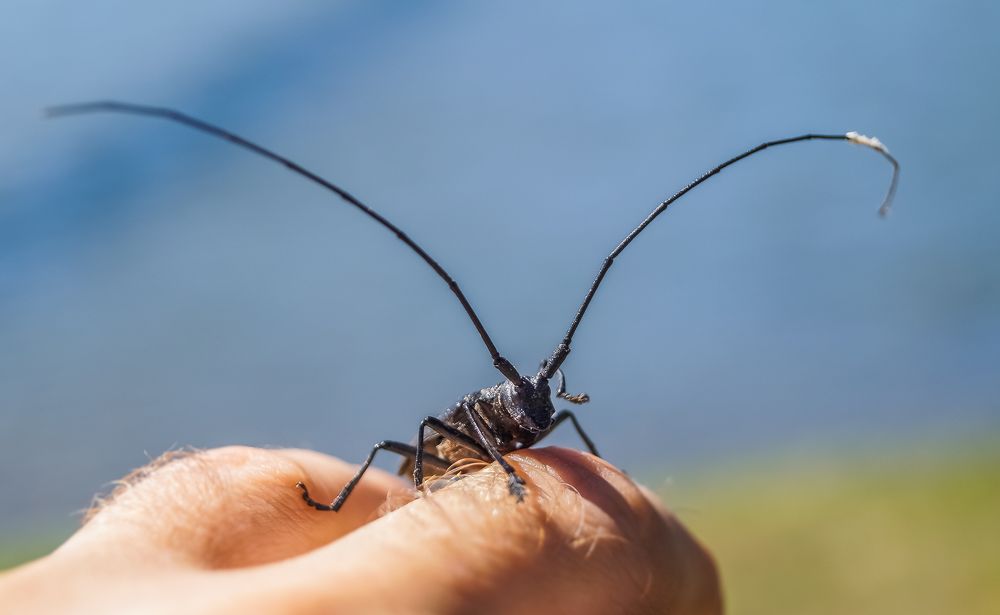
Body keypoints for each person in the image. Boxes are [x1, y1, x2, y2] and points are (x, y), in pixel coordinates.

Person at [0, 446, 722, 613]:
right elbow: (436, 444)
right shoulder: (475, 423)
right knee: (394, 443)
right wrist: (503, 473)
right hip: (438, 459)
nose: (535, 407)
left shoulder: (539, 411)